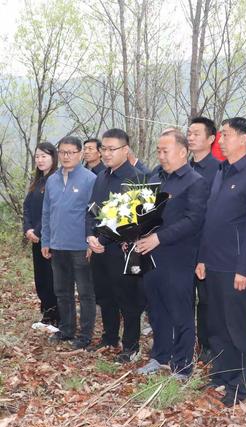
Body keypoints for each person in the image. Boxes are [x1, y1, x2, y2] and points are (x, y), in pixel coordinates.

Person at [195, 117, 246, 407]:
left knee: (236, 327)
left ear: (243, 139)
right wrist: (202, 257)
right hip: (212, 262)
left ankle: (238, 385)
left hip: (235, 266)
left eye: (226, 135)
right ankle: (221, 373)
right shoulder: (221, 171)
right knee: (216, 323)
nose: (221, 140)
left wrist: (245, 268)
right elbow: (209, 219)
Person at [136, 130, 208, 377]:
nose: (161, 155)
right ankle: (160, 356)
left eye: (165, 151)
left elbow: (194, 220)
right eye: (158, 150)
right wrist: (133, 233)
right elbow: (143, 211)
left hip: (178, 257)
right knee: (156, 310)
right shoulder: (154, 176)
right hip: (150, 255)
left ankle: (183, 365)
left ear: (182, 152)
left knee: (180, 312)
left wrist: (159, 237)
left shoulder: (195, 181)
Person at [86, 128, 147, 362]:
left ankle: (131, 345)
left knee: (128, 299)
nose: (107, 153)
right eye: (104, 149)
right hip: (100, 249)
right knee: (105, 295)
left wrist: (101, 239)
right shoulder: (101, 176)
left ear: (126, 150)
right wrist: (90, 237)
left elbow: (129, 220)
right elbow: (91, 211)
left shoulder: (137, 179)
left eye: (112, 149)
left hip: (124, 250)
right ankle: (109, 337)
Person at [41, 136, 96, 349]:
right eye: (62, 152)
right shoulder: (52, 180)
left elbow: (95, 213)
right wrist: (46, 240)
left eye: (71, 152)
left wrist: (92, 243)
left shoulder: (89, 179)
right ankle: (66, 330)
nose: (66, 156)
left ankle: (85, 335)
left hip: (81, 247)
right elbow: (47, 212)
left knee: (85, 293)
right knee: (62, 291)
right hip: (57, 245)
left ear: (80, 154)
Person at [187, 116, 220, 363]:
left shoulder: (218, 170)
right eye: (189, 133)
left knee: (207, 300)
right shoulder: (183, 167)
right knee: (183, 296)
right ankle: (187, 343)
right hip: (181, 244)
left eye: (196, 133)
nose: (191, 137)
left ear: (211, 139)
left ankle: (208, 346)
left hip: (207, 245)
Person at [23, 142, 59, 326]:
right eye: (37, 156)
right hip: (35, 238)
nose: (40, 160)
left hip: (50, 238)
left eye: (44, 156)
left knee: (51, 278)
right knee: (40, 278)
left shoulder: (57, 180)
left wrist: (37, 231)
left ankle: (55, 318)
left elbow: (52, 210)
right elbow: (27, 207)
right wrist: (28, 229)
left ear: (53, 158)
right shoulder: (37, 182)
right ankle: (46, 314)